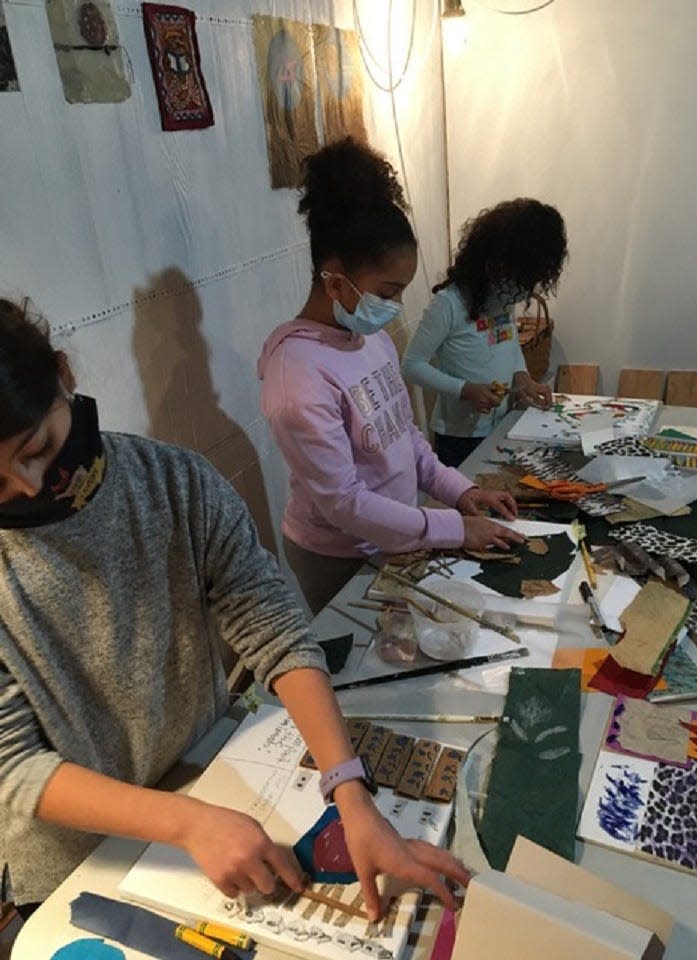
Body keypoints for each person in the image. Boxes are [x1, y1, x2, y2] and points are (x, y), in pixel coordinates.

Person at [0, 298, 470, 921]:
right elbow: (14, 767)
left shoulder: (174, 483)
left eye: (39, 447)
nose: (29, 486)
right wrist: (187, 822)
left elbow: (272, 624)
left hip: (205, 773)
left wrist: (349, 792)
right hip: (77, 856)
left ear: (65, 375)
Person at [258, 138, 524, 613]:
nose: (397, 306)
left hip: (395, 535)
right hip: (338, 555)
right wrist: (451, 529)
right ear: (335, 279)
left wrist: (460, 491)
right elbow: (344, 502)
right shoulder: (295, 375)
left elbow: (408, 440)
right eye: (389, 290)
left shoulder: (370, 338)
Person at [402, 198, 568, 467]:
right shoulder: (449, 303)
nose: (522, 290)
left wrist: (522, 377)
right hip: (459, 435)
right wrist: (465, 389)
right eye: (518, 278)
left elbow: (509, 344)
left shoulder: (503, 296)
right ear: (492, 263)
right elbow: (411, 366)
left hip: (501, 422)